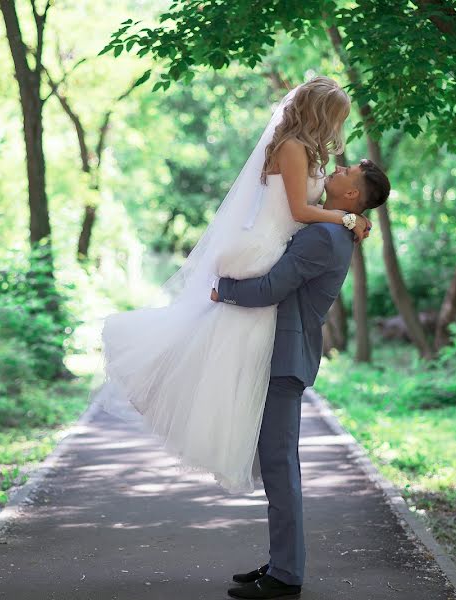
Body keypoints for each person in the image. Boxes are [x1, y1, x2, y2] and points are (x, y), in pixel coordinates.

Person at [93, 77, 372, 494]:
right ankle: (180, 399)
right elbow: (299, 210)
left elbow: (306, 207)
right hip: (266, 244)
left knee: (235, 353)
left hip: (280, 245)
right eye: (337, 119)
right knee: (229, 345)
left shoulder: (308, 152)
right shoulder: (292, 148)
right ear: (320, 114)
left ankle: (230, 436)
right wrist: (347, 218)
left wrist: (342, 216)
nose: (339, 130)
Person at [220, 158, 391, 599]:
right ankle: (282, 562)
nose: (339, 166)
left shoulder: (324, 236)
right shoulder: (335, 227)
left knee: (280, 466)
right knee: (279, 464)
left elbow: (271, 288)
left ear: (352, 194)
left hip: (284, 358)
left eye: (348, 170)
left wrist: (224, 291)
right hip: (280, 355)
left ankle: (286, 575)